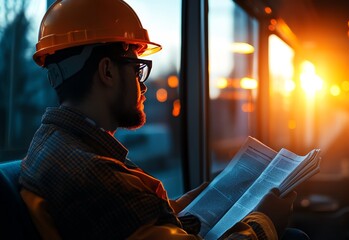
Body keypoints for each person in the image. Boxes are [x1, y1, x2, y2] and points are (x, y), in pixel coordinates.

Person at [19, 0, 305, 239]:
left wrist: (193, 200)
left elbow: (139, 222)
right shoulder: (95, 175)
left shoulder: (56, 146)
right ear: (107, 71)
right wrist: (266, 222)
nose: (143, 86)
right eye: (137, 69)